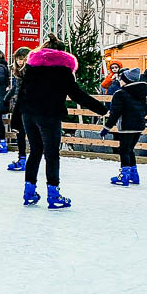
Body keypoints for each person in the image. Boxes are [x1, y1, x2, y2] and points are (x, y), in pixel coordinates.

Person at [20, 34, 108, 208]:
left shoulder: (31, 68)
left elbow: (22, 93)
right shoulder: (62, 71)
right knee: (52, 155)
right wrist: (103, 110)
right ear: (62, 53)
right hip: (49, 115)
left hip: (29, 114)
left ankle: (29, 192)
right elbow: (78, 95)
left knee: (35, 152)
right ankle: (53, 194)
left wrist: (19, 118)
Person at [102, 68, 145, 186]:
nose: (119, 81)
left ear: (126, 81)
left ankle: (124, 176)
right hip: (139, 126)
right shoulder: (141, 93)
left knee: (124, 150)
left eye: (121, 79)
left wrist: (106, 127)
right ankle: (134, 175)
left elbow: (115, 113)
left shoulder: (120, 94)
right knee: (130, 149)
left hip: (126, 126)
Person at [4, 47, 31, 171]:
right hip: (20, 106)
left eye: (22, 59)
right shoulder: (18, 72)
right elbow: (16, 87)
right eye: (18, 60)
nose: (19, 62)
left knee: (31, 134)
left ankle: (28, 160)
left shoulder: (30, 72)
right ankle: (22, 158)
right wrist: (7, 97)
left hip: (29, 106)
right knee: (20, 132)